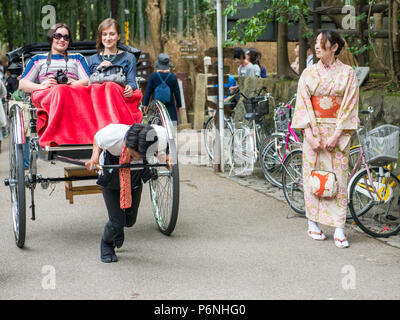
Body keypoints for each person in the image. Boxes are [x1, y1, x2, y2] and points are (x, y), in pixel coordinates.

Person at [291, 30, 359, 248]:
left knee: (338, 180)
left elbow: (349, 106)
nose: (317, 46)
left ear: (335, 47)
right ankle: (313, 223)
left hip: (337, 134)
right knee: (313, 179)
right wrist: (309, 135)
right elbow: (302, 105)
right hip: (314, 131)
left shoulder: (348, 73)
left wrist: (337, 134)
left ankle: (339, 227)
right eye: (317, 43)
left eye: (322, 43)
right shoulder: (308, 73)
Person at [85, 123, 171, 263]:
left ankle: (118, 228)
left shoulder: (159, 135)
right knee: (117, 222)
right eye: (134, 154)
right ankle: (106, 244)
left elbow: (161, 153)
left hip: (135, 177)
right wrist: (94, 157)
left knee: (129, 221)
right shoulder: (113, 136)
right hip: (111, 175)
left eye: (141, 156)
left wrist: (166, 159)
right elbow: (97, 140)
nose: (137, 158)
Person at [19, 23, 90, 93]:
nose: (62, 40)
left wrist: (68, 84)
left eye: (66, 37)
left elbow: (88, 80)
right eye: (58, 36)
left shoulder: (78, 58)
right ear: (51, 37)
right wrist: (44, 86)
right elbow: (22, 84)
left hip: (71, 95)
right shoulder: (37, 59)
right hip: (46, 97)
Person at [87, 18, 137, 98]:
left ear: (118, 36)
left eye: (112, 34)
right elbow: (87, 83)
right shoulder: (91, 60)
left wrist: (130, 87)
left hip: (119, 99)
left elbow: (132, 81)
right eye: (104, 34)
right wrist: (98, 68)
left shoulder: (129, 58)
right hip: (96, 100)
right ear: (100, 37)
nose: (108, 38)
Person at [142, 53, 182, 123]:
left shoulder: (153, 76)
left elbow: (148, 91)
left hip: (156, 104)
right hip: (170, 104)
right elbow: (177, 92)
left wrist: (145, 104)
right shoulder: (173, 77)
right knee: (171, 122)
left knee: (155, 122)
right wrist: (178, 105)